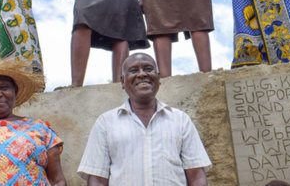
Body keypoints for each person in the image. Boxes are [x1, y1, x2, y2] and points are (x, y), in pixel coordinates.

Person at [77, 53, 211, 185]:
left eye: (148, 69)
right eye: (134, 70)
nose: (142, 74)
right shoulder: (105, 123)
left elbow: (196, 176)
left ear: (158, 78)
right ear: (123, 81)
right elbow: (97, 180)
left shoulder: (181, 120)